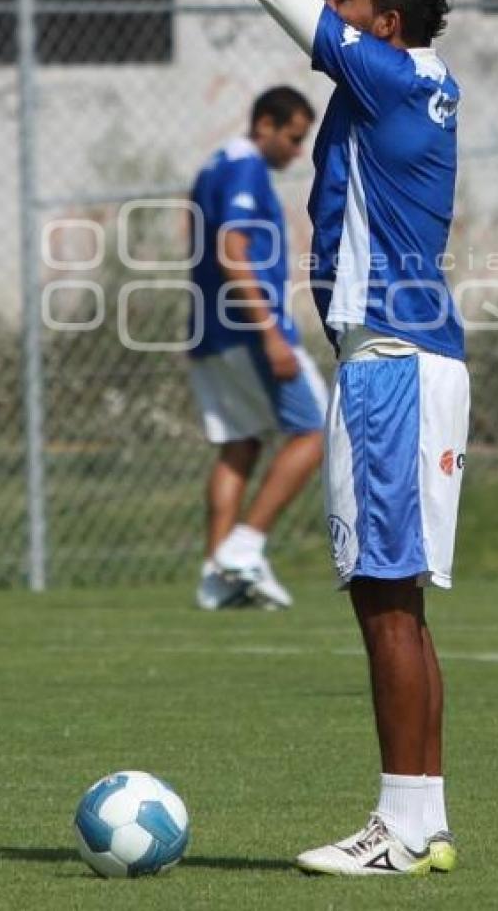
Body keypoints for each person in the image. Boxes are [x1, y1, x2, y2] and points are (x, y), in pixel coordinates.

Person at [201, 0, 470, 876]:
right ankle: (419, 818)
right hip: (409, 362)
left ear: (384, 28)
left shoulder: (386, 75)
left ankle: (405, 829)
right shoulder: (409, 69)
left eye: (349, 6)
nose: (330, 11)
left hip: (390, 367)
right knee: (391, 599)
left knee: (385, 604)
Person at [188, 85, 328, 611]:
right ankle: (245, 548)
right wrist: (270, 332)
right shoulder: (246, 168)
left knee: (241, 444)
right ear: (265, 125)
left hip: (210, 331)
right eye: (294, 138)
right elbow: (232, 250)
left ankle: (215, 576)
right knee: (315, 431)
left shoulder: (214, 164)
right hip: (248, 329)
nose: (297, 150)